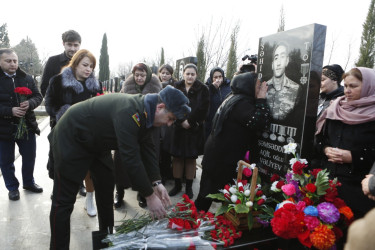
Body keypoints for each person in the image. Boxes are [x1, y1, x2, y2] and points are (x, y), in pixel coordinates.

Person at [49, 85, 190, 249]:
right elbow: (130, 158)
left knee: (106, 188)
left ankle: (107, 241)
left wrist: (156, 182)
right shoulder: (130, 112)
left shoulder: (148, 113)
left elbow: (148, 148)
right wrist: (149, 196)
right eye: (171, 118)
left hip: (97, 142)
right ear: (160, 107)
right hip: (72, 137)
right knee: (63, 202)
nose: (169, 124)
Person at [195, 72, 270, 212]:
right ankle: (193, 225)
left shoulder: (234, 98)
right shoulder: (242, 104)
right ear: (248, 86)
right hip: (221, 159)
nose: (261, 88)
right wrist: (261, 100)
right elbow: (259, 122)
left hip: (216, 155)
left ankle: (195, 221)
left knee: (206, 194)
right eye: (258, 85)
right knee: (208, 196)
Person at [45, 49, 102, 217]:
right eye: (85, 65)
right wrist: (64, 114)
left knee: (90, 169)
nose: (88, 69)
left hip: (88, 133)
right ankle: (61, 198)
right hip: (64, 131)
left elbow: (100, 106)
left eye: (91, 66)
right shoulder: (57, 81)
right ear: (75, 63)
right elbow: (49, 104)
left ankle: (90, 199)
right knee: (63, 166)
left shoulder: (94, 85)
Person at [315, 67, 375, 219]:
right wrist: (326, 149)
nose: (347, 90)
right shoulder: (335, 108)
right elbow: (320, 140)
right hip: (327, 184)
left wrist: (353, 157)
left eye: (353, 86)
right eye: (346, 85)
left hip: (359, 190)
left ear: (369, 86)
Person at [40, 30, 86, 197]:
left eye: (76, 45)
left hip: (79, 116)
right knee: (57, 153)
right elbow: (45, 86)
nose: (73, 48)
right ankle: (57, 186)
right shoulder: (53, 62)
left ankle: (79, 183)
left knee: (78, 151)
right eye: (69, 44)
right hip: (59, 116)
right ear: (63, 44)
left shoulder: (84, 61)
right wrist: (55, 109)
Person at [113, 63, 162, 208]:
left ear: (147, 75)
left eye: (142, 75)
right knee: (121, 161)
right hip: (128, 128)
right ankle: (119, 192)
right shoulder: (126, 88)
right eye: (136, 75)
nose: (139, 78)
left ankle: (142, 193)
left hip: (148, 130)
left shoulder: (156, 88)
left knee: (145, 161)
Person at [0, 48, 43, 201]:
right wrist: (9, 111)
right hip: (4, 129)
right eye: (8, 61)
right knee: (6, 161)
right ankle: (12, 188)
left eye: (15, 61)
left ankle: (29, 182)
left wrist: (30, 103)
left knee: (29, 157)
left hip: (27, 126)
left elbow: (38, 96)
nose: (13, 64)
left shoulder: (27, 78)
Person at [164, 63, 209, 199]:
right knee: (177, 158)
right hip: (177, 128)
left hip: (194, 129)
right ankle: (177, 185)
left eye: (192, 74)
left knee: (190, 159)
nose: (190, 76)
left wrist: (190, 122)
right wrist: (180, 121)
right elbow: (170, 105)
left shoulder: (203, 89)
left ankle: (188, 188)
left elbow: (204, 108)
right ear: (183, 74)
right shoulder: (176, 87)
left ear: (196, 75)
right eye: (187, 73)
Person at [266, 42, 301, 121]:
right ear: (272, 64)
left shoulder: (296, 88)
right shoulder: (264, 87)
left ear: (287, 61)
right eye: (276, 58)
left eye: (282, 57)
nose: (278, 63)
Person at [158, 64, 177, 184]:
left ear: (171, 75)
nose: (164, 75)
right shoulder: (154, 84)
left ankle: (164, 174)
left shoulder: (175, 87)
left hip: (168, 121)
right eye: (163, 73)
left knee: (165, 150)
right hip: (156, 120)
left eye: (167, 73)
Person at [204, 67, 231, 141]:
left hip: (225, 120)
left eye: (220, 76)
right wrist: (212, 88)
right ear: (211, 77)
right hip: (211, 120)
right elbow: (204, 100)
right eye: (215, 77)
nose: (218, 79)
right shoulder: (207, 87)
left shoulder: (228, 86)